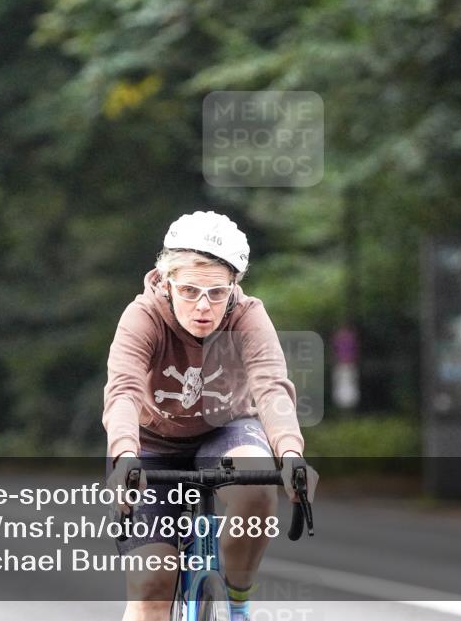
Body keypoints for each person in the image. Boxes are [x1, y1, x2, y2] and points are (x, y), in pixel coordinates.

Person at [103, 211, 319, 621]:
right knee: (151, 587)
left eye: (217, 293)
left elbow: (271, 386)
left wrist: (291, 454)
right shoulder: (143, 317)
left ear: (234, 286)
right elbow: (124, 390)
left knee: (257, 488)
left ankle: (237, 601)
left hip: (227, 429)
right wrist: (125, 455)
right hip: (151, 444)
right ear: (165, 282)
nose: (203, 307)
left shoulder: (247, 315)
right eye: (188, 290)